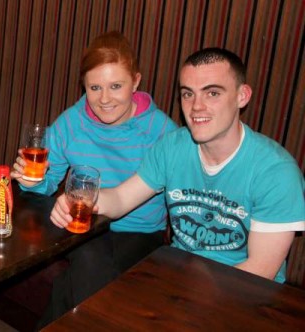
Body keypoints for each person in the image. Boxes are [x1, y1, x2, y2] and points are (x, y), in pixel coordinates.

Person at [51, 47, 305, 283]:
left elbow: (260, 272)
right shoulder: (172, 147)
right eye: (188, 94)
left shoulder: (276, 172)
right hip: (176, 275)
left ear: (242, 96)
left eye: (212, 93)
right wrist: (78, 199)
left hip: (240, 294)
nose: (197, 106)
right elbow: (120, 198)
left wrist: (185, 294)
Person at [10, 32, 177, 328]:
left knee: (74, 280)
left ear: (135, 82)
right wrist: (30, 180)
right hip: (82, 226)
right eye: (95, 87)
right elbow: (47, 183)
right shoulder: (71, 123)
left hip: (140, 232)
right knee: (90, 256)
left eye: (116, 86)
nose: (104, 99)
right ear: (84, 86)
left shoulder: (160, 129)